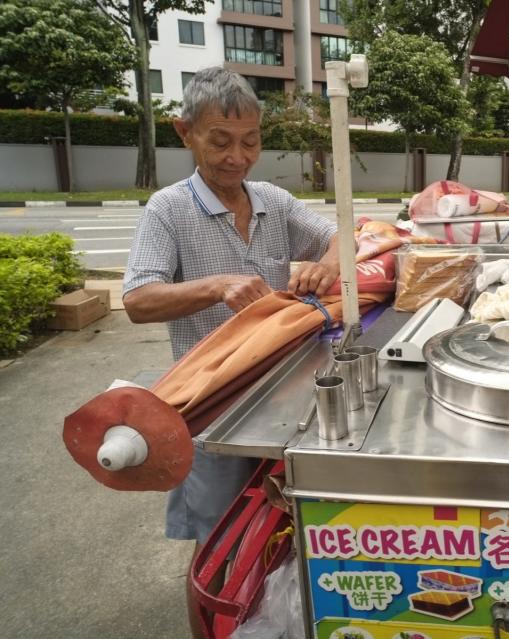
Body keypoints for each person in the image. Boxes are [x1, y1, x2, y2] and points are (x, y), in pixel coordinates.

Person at [122, 67, 341, 637]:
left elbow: (345, 235)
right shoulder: (167, 210)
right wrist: (216, 285)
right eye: (220, 141)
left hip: (278, 397)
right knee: (216, 541)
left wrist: (327, 264)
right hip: (209, 405)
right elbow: (138, 299)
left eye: (250, 142)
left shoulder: (271, 201)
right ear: (185, 132)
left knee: (272, 523)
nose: (237, 157)